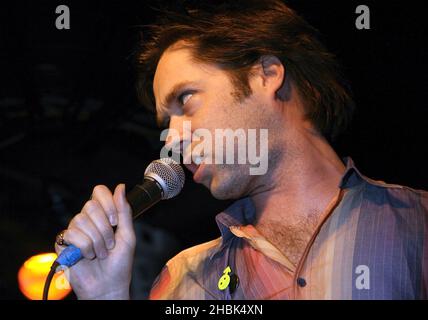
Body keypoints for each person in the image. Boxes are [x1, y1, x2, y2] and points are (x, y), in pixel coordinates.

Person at [55, 0, 428, 299]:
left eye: (185, 100)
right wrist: (107, 294)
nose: (172, 139)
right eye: (165, 124)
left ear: (266, 74)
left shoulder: (417, 223)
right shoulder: (184, 283)